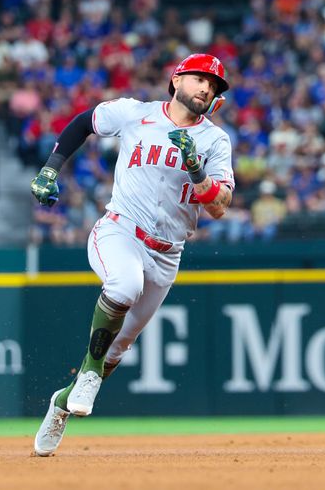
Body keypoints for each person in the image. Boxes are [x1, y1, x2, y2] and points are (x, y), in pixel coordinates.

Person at [30, 53, 234, 456]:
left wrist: (196, 169)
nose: (207, 87)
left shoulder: (215, 140)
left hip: (167, 254)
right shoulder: (134, 114)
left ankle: (62, 402)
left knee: (117, 350)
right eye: (199, 79)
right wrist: (51, 168)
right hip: (121, 230)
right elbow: (83, 123)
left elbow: (220, 205)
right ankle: (87, 375)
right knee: (124, 284)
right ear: (176, 80)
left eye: (214, 85)